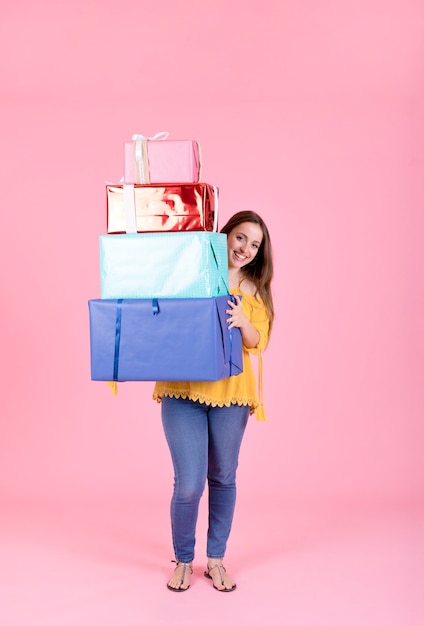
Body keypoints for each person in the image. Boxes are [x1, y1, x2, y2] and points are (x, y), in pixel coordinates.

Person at [153, 210, 274, 592]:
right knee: (188, 483)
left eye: (254, 244)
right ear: (225, 234)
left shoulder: (254, 290)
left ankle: (216, 560)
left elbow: (260, 341)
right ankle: (184, 561)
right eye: (240, 238)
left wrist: (243, 319)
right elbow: (165, 310)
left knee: (222, 477)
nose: (246, 249)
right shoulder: (196, 271)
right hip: (181, 389)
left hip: (232, 395)